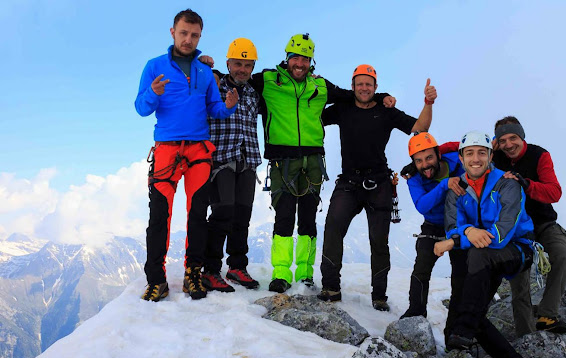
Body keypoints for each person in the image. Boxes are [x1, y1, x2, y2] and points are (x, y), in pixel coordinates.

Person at [216, 34, 395, 293]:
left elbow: (353, 95)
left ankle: (305, 274)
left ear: (311, 61)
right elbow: (235, 77)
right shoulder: (267, 79)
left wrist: (384, 95)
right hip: (282, 160)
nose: (300, 63)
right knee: (284, 215)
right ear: (287, 58)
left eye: (305, 58)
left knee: (308, 219)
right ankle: (280, 273)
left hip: (312, 161)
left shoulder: (320, 85)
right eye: (296, 58)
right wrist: (211, 71)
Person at [135, 9, 238, 301]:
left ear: (200, 36)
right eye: (183, 33)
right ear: (172, 32)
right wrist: (153, 93)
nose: (188, 39)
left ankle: (193, 273)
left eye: (194, 35)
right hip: (167, 149)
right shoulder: (154, 66)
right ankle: (156, 279)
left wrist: (228, 105)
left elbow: (215, 110)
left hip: (198, 150)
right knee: (159, 216)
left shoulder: (205, 72)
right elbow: (141, 108)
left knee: (197, 215)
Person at [317, 65, 435, 311]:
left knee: (379, 242)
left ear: (375, 87)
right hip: (348, 181)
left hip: (379, 182)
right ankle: (331, 287)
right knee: (333, 229)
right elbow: (313, 117)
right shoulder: (343, 108)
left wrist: (428, 102)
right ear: (352, 87)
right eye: (359, 84)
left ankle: (379, 296)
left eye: (368, 84)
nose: (364, 88)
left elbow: (420, 129)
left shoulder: (386, 111)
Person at [435, 131, 534, 358]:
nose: (476, 158)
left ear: (491, 156)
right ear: (461, 157)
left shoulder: (507, 184)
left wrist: (456, 241)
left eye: (482, 152)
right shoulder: (458, 188)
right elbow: (452, 225)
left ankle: (463, 329)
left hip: (516, 251)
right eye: (470, 153)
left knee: (475, 265)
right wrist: (467, 233)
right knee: (474, 307)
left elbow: (501, 235)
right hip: (482, 255)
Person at [492, 116, 566, 335]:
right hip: (515, 228)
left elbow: (554, 192)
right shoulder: (493, 156)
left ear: (522, 136)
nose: (508, 145)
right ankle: (525, 337)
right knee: (519, 282)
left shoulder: (539, 155)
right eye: (502, 140)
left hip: (543, 222)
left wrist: (525, 183)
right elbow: (463, 149)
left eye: (513, 138)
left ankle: (547, 314)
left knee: (563, 254)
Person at [199, 38, 262, 293]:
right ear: (228, 63)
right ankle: (211, 269)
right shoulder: (213, 84)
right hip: (220, 160)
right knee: (222, 213)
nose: (243, 70)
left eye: (248, 65)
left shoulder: (253, 92)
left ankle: (237, 266)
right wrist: (202, 65)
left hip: (248, 160)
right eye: (238, 64)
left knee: (242, 216)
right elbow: (192, 79)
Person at [398, 132, 467, 323]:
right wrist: (444, 185)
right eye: (418, 161)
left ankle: (457, 324)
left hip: (462, 225)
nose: (425, 165)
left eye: (429, 157)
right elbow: (422, 205)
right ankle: (416, 314)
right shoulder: (414, 178)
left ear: (438, 154)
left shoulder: (458, 162)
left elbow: (464, 145)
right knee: (421, 267)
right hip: (434, 225)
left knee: (460, 272)